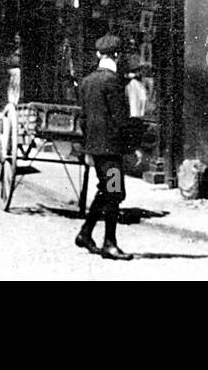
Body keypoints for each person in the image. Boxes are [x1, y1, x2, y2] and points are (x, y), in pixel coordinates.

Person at [75, 34, 133, 260]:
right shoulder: (114, 82)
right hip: (111, 149)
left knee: (107, 190)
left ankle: (85, 234)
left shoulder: (87, 82)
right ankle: (109, 243)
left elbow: (83, 118)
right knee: (114, 192)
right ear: (117, 56)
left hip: (95, 148)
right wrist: (131, 147)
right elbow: (120, 118)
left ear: (99, 55)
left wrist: (88, 146)